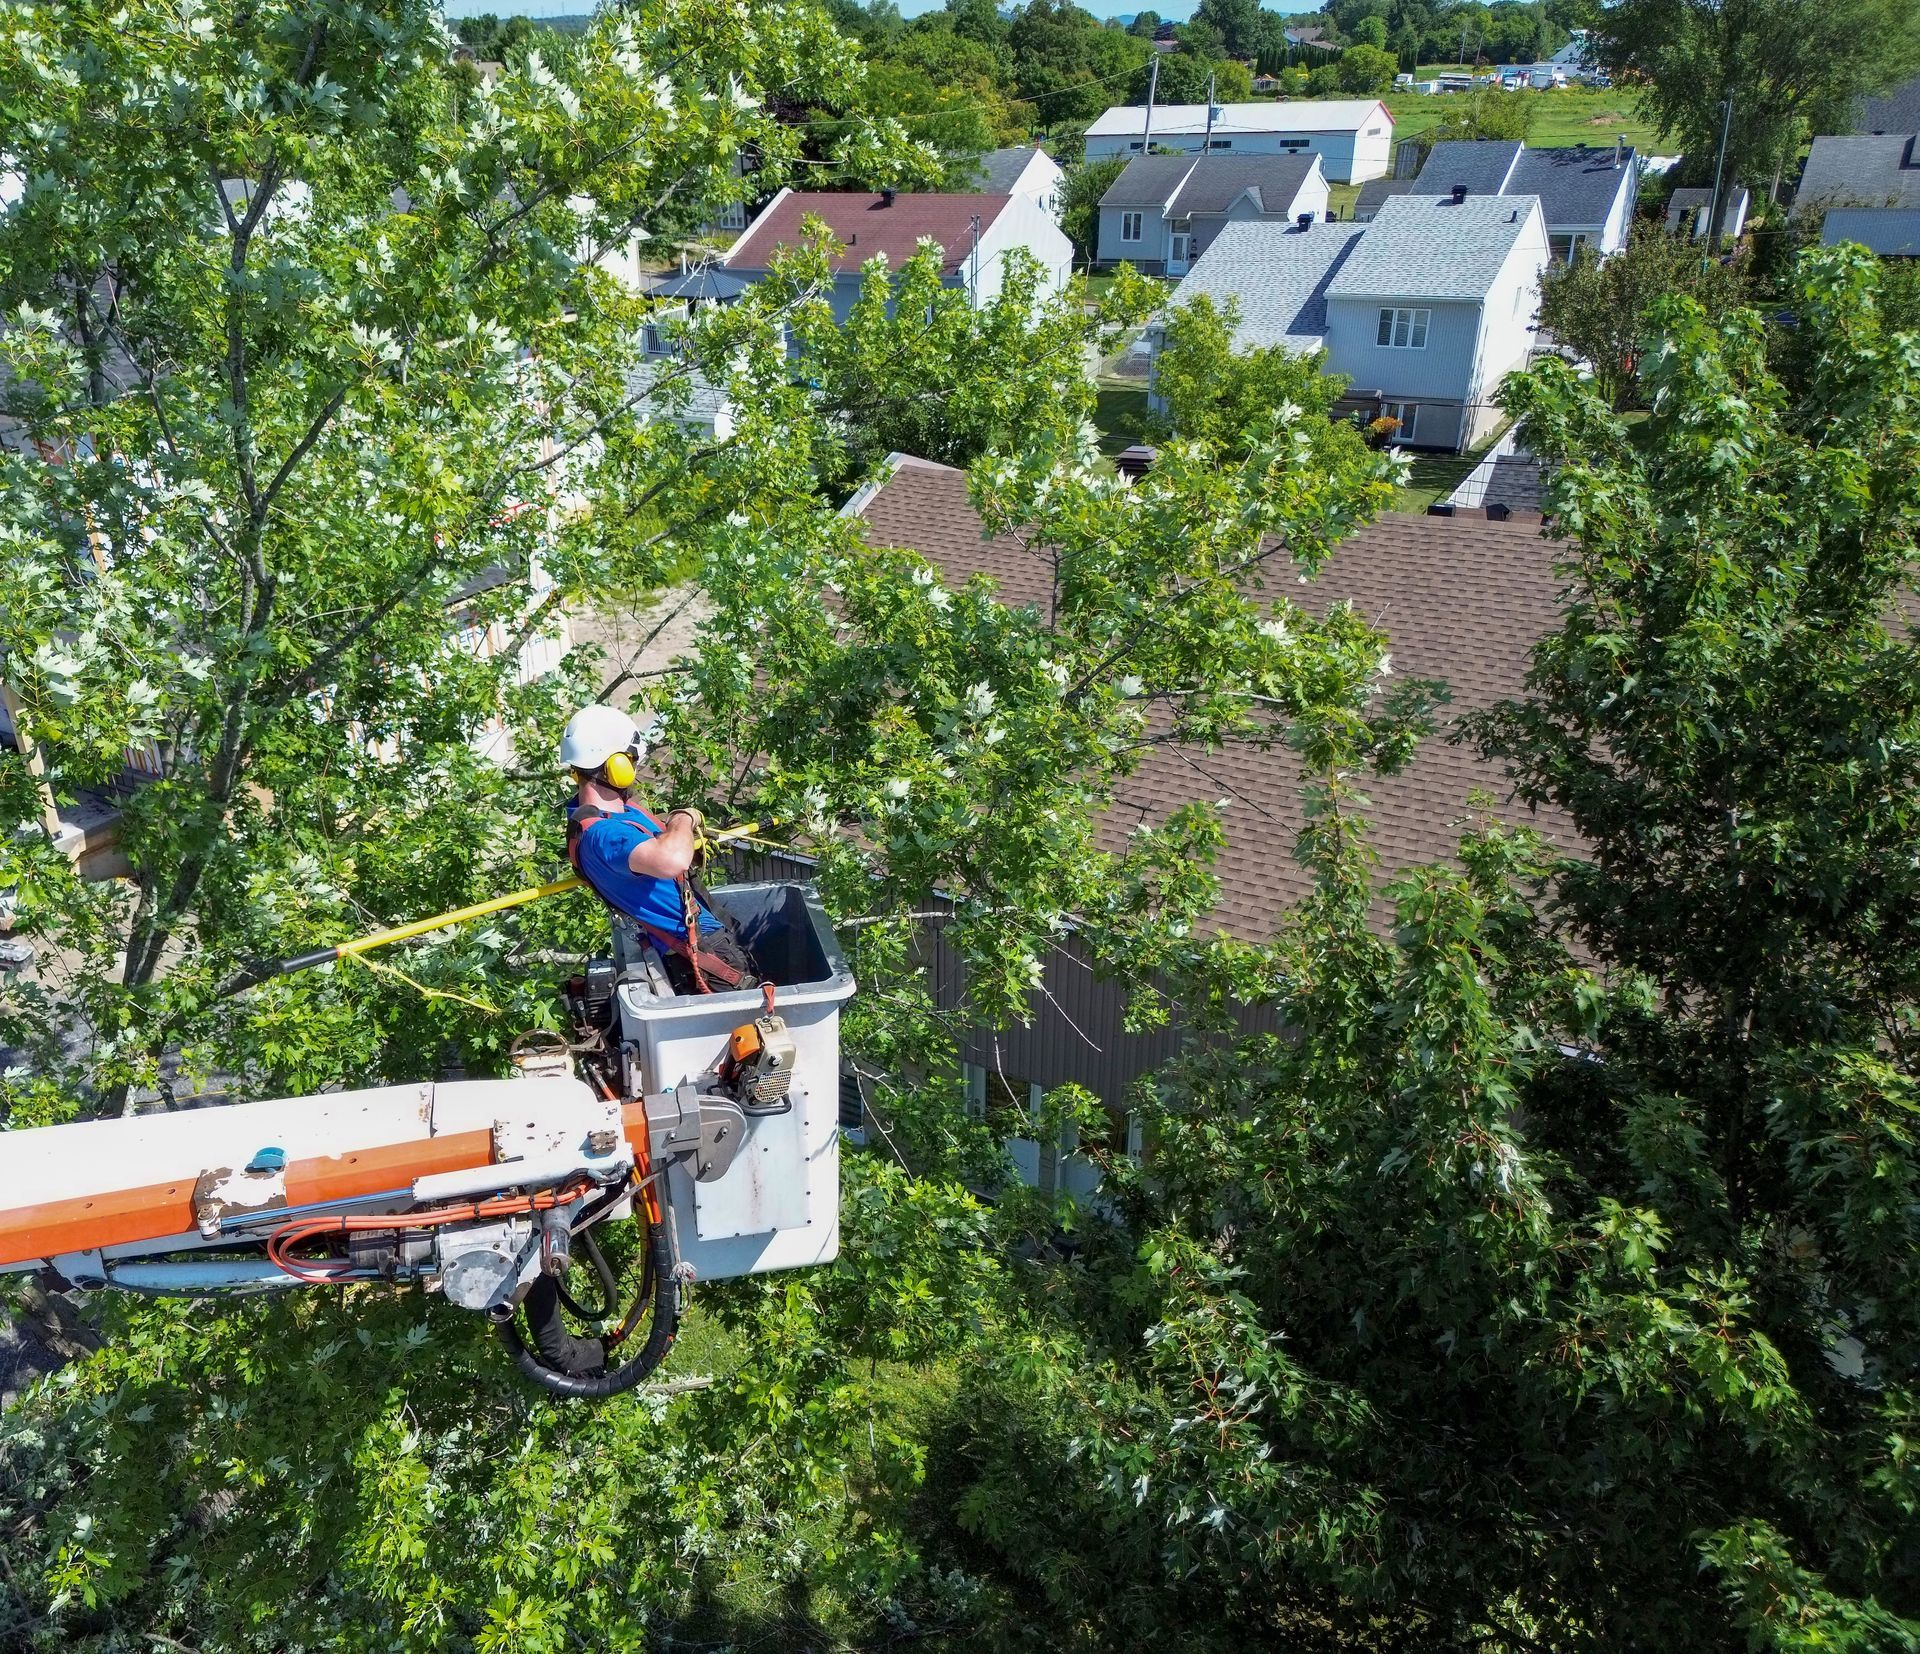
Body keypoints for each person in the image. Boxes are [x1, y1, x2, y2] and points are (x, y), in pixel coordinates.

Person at [559, 703, 757, 993]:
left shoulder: (615, 813)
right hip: (705, 955)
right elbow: (671, 860)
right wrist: (683, 818)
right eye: (632, 760)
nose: (636, 769)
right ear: (616, 766)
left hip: (699, 943)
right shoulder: (604, 835)